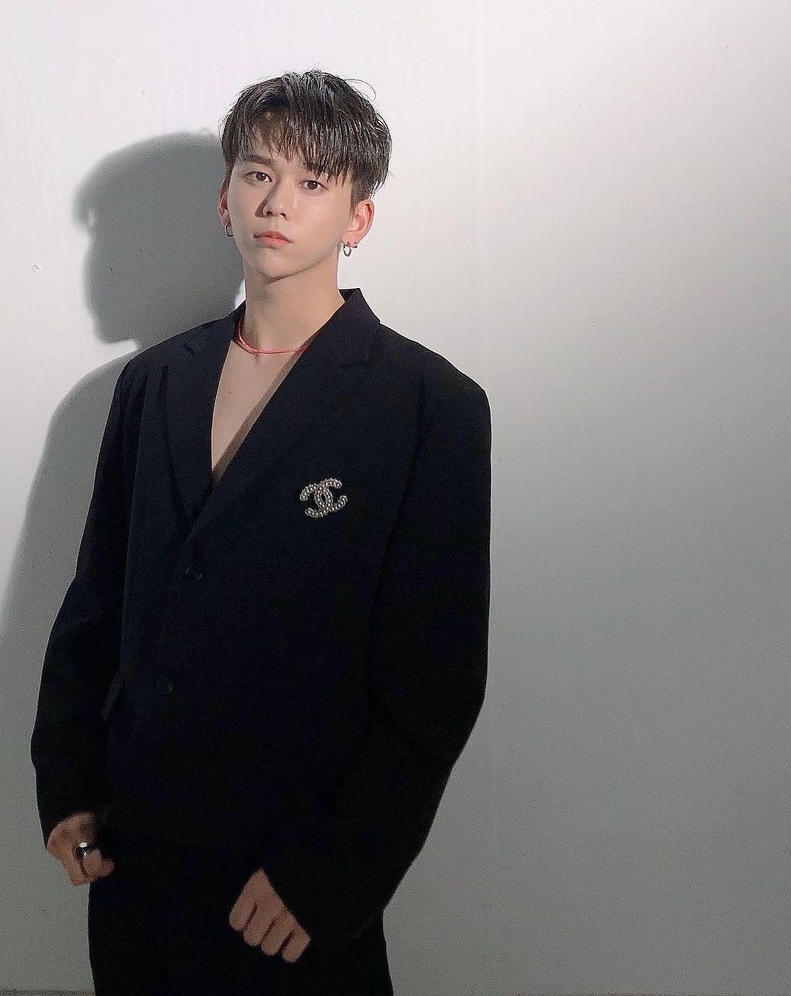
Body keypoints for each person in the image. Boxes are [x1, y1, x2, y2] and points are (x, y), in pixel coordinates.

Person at [30, 68, 492, 994]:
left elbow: (434, 681)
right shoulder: (153, 384)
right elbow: (97, 600)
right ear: (225, 199)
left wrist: (334, 870)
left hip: (292, 872)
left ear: (359, 218)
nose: (278, 202)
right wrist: (69, 780)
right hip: (137, 852)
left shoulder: (427, 404)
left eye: (314, 181)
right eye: (257, 173)